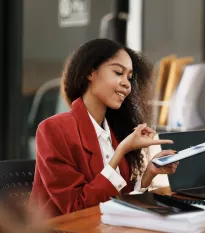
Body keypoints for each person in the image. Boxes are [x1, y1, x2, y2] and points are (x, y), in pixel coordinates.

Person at [30, 39, 178, 217]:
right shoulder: (52, 130)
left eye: (129, 78)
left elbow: (115, 199)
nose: (127, 84)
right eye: (118, 72)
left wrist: (149, 174)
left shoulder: (114, 131)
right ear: (91, 72)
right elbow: (77, 207)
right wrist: (122, 150)